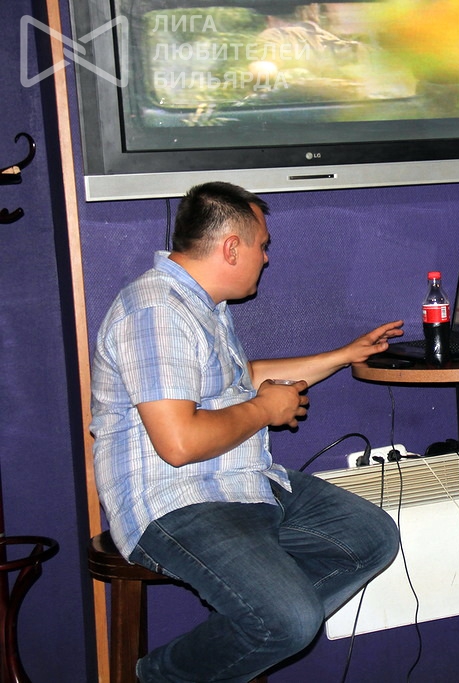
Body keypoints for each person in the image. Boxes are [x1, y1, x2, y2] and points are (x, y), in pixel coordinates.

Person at [90, 181, 404, 682]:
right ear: (232, 247)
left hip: (240, 482)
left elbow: (243, 378)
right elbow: (179, 444)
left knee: (371, 538)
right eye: (263, 245)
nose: (267, 257)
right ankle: (162, 675)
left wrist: (344, 355)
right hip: (175, 501)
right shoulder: (156, 312)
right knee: (290, 621)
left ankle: (252, 630)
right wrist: (263, 410)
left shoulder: (203, 306)